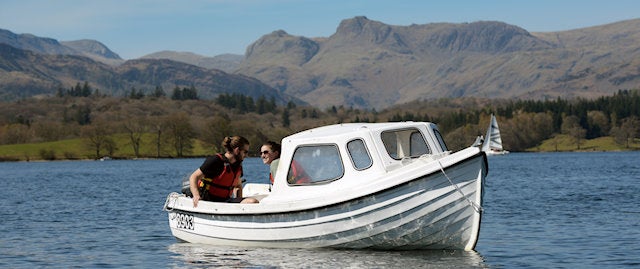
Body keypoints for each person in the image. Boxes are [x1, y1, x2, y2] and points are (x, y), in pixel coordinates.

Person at [188, 136, 257, 207]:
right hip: (209, 201)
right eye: (245, 152)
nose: (246, 155)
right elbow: (194, 177)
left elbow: (238, 185)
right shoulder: (216, 161)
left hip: (225, 201)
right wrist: (196, 196)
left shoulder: (237, 165)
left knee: (252, 202)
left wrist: (239, 206)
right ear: (237, 150)